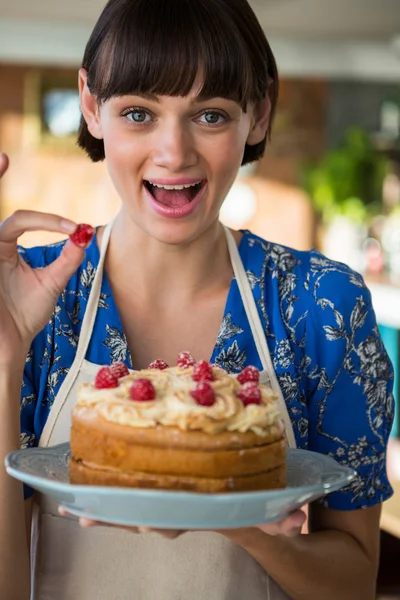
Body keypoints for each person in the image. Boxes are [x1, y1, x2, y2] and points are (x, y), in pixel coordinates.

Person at [0, 1, 394, 599]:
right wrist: (3, 356)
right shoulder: (29, 301)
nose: (173, 152)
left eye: (209, 115)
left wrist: (245, 523)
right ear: (90, 105)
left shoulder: (321, 306)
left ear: (257, 115)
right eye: (138, 112)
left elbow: (355, 583)